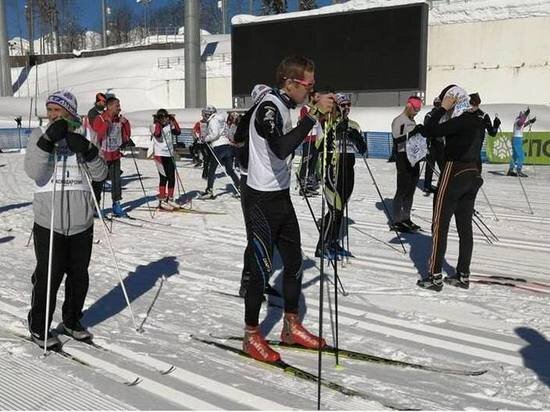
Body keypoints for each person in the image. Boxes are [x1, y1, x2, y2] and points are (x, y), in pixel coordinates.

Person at [241, 55, 334, 362]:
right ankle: (252, 334)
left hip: (280, 196)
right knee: (260, 269)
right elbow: (280, 148)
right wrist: (312, 116)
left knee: (293, 263)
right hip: (260, 199)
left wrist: (316, 110)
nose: (311, 89)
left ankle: (290, 326)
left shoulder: (286, 103)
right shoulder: (269, 106)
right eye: (309, 84)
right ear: (291, 83)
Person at [24, 90, 107, 348]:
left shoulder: (84, 136)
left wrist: (89, 151)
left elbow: (101, 174)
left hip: (81, 221)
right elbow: (33, 171)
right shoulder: (39, 134)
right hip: (50, 222)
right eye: (49, 110)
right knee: (49, 276)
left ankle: (71, 320)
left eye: (57, 111)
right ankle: (39, 325)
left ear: (70, 112)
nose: (52, 115)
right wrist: (48, 141)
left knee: (79, 277)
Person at [418, 85, 485, 291]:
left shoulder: (459, 121)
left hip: (454, 170)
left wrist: (441, 108)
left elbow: (429, 130)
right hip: (473, 172)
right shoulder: (478, 120)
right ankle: (463, 275)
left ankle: (435, 276)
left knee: (440, 225)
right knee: (465, 227)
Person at [315, 93, 367, 259]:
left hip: (348, 172)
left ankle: (332, 242)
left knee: (339, 210)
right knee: (335, 209)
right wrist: (335, 131)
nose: (346, 108)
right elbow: (318, 146)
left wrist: (356, 137)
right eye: (342, 105)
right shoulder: (325, 122)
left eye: (348, 105)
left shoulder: (354, 124)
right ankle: (322, 246)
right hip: (331, 170)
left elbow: (363, 150)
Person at [92, 96, 133, 217]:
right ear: (109, 106)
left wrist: (125, 124)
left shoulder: (117, 120)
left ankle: (116, 204)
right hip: (102, 155)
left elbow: (126, 135)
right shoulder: (99, 118)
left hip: (115, 154)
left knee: (116, 181)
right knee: (98, 181)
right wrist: (106, 124)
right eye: (117, 106)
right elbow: (97, 136)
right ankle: (95, 206)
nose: (119, 108)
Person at [390, 96, 424, 232]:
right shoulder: (399, 121)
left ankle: (406, 218)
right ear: (409, 105)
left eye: (418, 110)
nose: (416, 112)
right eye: (415, 109)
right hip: (403, 157)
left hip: (414, 158)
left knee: (411, 191)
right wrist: (413, 133)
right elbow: (397, 140)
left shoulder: (412, 121)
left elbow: (414, 139)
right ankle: (397, 221)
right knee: (402, 190)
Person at [199, 105, 240, 199]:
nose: (204, 116)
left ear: (210, 113)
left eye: (205, 113)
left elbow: (215, 134)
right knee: (229, 169)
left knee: (211, 169)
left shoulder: (213, 120)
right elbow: (227, 132)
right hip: (227, 146)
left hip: (219, 147)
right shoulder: (221, 120)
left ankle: (209, 190)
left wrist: (206, 138)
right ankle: (239, 187)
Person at [151, 109, 182, 210]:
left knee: (172, 178)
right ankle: (162, 199)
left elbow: (178, 132)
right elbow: (158, 134)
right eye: (162, 118)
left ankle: (170, 198)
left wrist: (173, 121)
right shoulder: (154, 126)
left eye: (166, 117)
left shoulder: (169, 125)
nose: (165, 120)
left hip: (169, 154)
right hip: (159, 155)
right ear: (158, 118)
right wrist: (159, 123)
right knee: (163, 177)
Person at [297, 90, 323, 196]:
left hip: (316, 138)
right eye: (317, 96)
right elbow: (305, 121)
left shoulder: (318, 108)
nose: (319, 98)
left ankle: (310, 183)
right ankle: (302, 185)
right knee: (306, 161)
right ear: (312, 97)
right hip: (308, 138)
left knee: (314, 162)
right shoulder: (305, 108)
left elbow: (320, 121)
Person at [84, 92, 107, 205]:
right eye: (102, 101)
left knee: (101, 177)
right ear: (97, 101)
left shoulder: (105, 112)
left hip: (105, 147)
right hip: (95, 146)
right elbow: (96, 127)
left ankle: (96, 203)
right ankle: (94, 203)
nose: (103, 103)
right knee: (97, 177)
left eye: (105, 101)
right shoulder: (92, 113)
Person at [468, 92, 500, 171]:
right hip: (465, 150)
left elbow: (492, 133)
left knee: (476, 172)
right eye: (471, 104)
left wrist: (496, 125)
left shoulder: (483, 115)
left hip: (475, 151)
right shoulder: (464, 113)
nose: (472, 107)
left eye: (475, 104)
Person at [422, 97, 445, 194]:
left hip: (440, 143)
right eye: (436, 104)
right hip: (432, 143)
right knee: (430, 166)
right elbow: (426, 128)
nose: (438, 106)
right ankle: (427, 186)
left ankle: (443, 184)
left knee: (443, 165)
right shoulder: (429, 115)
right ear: (434, 104)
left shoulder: (443, 115)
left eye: (439, 104)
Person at [507, 108, 536, 177]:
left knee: (515, 155)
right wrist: (526, 114)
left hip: (516, 138)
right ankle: (518, 170)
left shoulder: (519, 121)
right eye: (523, 115)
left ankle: (510, 171)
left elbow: (523, 124)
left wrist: (530, 121)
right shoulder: (518, 121)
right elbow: (521, 123)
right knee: (521, 156)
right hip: (517, 139)